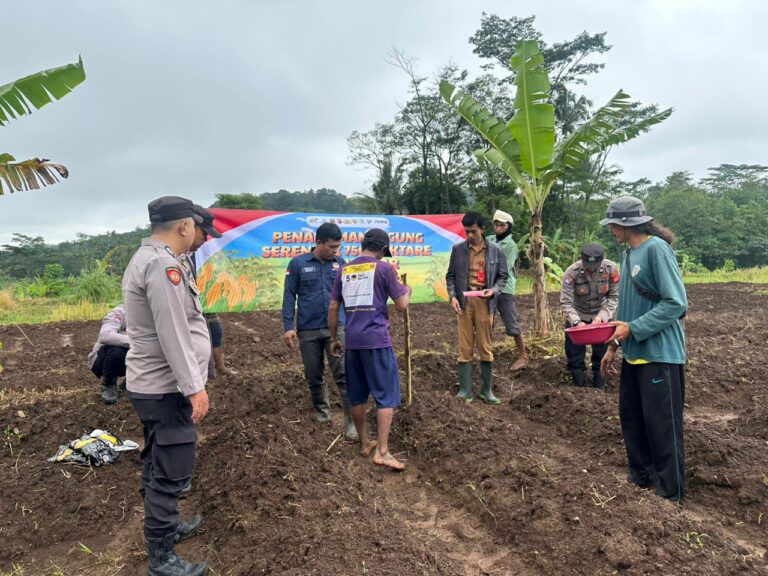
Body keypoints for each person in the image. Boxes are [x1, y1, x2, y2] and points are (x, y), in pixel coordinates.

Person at [123, 196, 210, 575]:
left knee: (159, 459)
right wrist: (194, 386)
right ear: (185, 226)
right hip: (166, 386)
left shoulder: (154, 259)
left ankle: (168, 528)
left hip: (155, 385)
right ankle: (162, 559)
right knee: (170, 471)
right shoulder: (162, 265)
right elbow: (173, 331)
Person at [599, 196, 687, 502]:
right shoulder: (628, 254)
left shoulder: (656, 250)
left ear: (626, 224)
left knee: (662, 425)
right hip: (634, 353)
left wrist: (633, 329)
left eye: (612, 223)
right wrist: (613, 344)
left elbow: (676, 303)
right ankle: (641, 478)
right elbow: (626, 308)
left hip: (660, 354)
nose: (610, 228)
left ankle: (669, 492)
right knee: (633, 418)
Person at [328, 228, 411, 471]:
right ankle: (382, 451)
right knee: (386, 395)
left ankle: (365, 443)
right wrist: (407, 290)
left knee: (357, 394)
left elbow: (333, 307)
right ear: (383, 249)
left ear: (363, 244)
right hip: (377, 341)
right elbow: (401, 306)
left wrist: (334, 338)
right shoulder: (385, 268)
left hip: (352, 341)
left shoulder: (345, 269)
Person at [282, 222, 356, 440]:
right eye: (332, 247)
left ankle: (351, 421)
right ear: (318, 243)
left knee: (344, 375)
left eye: (338, 247)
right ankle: (323, 415)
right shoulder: (297, 264)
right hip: (309, 330)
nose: (335, 251)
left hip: (337, 329)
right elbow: (289, 296)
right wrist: (288, 327)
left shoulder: (341, 264)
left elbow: (350, 296)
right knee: (314, 375)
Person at [445, 212, 509, 404]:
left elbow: (503, 277)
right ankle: (465, 390)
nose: (470, 235)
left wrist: (494, 290)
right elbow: (451, 276)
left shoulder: (495, 251)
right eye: (467, 232)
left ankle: (486, 390)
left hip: (484, 301)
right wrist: (452, 297)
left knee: (485, 345)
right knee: (465, 346)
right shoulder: (458, 250)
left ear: (482, 230)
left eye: (473, 231)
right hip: (464, 303)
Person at [560, 243, 619, 389]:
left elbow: (614, 297)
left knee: (601, 353)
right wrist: (576, 321)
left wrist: (601, 317)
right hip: (578, 314)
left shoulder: (611, 269)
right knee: (575, 356)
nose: (591, 269)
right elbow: (566, 302)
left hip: (600, 316)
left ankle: (599, 388)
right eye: (588, 266)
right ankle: (579, 388)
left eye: (595, 266)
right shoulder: (572, 272)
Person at [189, 204, 236, 379]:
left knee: (215, 329)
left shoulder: (201, 250)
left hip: (206, 295)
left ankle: (219, 366)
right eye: (204, 233)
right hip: (190, 301)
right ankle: (203, 371)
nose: (206, 238)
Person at [486, 209, 527, 370]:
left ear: (508, 226)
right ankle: (487, 354)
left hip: (504, 289)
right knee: (487, 322)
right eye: (496, 224)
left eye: (502, 225)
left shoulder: (510, 245)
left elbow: (505, 267)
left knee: (512, 323)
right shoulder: (489, 240)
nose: (498, 228)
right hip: (487, 288)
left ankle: (523, 356)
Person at [87, 303, 129, 404]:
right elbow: (105, 336)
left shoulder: (151, 314)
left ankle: (131, 381)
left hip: (131, 357)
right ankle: (109, 383)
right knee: (117, 350)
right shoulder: (119, 313)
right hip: (101, 359)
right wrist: (138, 342)